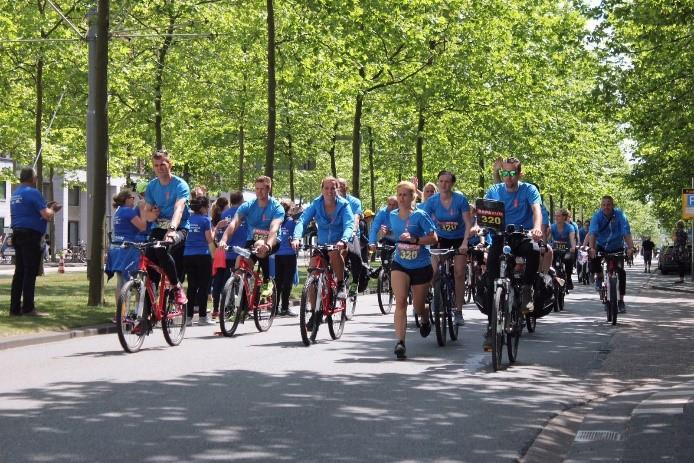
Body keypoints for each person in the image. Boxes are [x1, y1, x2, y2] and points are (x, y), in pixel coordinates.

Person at [475, 157, 543, 351]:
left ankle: (527, 289)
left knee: (534, 250)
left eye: (512, 173)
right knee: (491, 278)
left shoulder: (529, 190)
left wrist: (537, 228)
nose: (508, 177)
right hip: (500, 237)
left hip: (522, 235)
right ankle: (491, 328)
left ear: (520, 174)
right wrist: (478, 226)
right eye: (505, 173)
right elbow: (483, 211)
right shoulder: (494, 190)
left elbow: (536, 210)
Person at [386, 181, 438, 359]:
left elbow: (433, 238)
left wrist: (415, 240)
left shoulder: (420, 215)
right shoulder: (392, 215)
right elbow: (395, 234)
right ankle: (400, 343)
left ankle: (425, 316)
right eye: (399, 195)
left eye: (405, 195)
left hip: (420, 265)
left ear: (412, 197)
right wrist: (385, 233)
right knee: (400, 301)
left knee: (417, 306)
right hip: (400, 263)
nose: (401, 198)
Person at [419, 170, 473, 326]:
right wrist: (420, 240)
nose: (444, 184)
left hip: (458, 239)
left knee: (459, 273)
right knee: (433, 271)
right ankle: (432, 298)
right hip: (440, 238)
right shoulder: (432, 201)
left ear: (452, 184)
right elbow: (423, 220)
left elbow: (468, 223)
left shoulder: (460, 200)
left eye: (447, 181)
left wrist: (465, 243)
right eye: (441, 181)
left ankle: (458, 311)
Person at [218, 176, 284, 297]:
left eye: (262, 189)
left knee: (260, 246)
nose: (259, 192)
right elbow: (234, 223)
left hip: (271, 240)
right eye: (257, 189)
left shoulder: (276, 207)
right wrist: (223, 240)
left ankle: (267, 282)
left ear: (268, 189)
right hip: (252, 240)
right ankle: (240, 295)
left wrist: (268, 245)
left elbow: (274, 228)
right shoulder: (248, 206)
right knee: (240, 260)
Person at [9, 167, 62, 316]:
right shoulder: (33, 192)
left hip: (17, 234)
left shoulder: (16, 194)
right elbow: (46, 215)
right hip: (31, 236)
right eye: (36, 177)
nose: (37, 179)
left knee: (19, 272)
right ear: (32, 179)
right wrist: (53, 209)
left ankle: (14, 308)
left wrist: (46, 206)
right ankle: (28, 308)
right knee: (30, 271)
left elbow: (29, 210)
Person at [291, 176, 354, 299]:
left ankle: (341, 284)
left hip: (339, 244)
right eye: (326, 188)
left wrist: (344, 240)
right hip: (321, 244)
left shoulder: (344, 205)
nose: (329, 191)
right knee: (313, 273)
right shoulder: (316, 204)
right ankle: (314, 309)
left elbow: (349, 224)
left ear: (337, 190)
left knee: (334, 253)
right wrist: (296, 238)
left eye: (333, 188)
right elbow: (302, 221)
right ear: (322, 189)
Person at [142, 149, 191, 305]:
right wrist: (153, 214)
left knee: (161, 248)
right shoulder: (152, 186)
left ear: (170, 164)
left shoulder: (180, 185)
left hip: (179, 228)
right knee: (148, 260)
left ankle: (176, 287)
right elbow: (147, 214)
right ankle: (147, 314)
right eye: (156, 165)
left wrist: (172, 230)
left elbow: (179, 208)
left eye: (162, 164)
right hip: (159, 227)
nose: (159, 168)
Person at [588, 195, 634, 312]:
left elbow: (626, 232)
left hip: (617, 247)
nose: (606, 207)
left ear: (613, 205)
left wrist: (630, 248)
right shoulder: (597, 216)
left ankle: (621, 301)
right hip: (601, 246)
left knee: (621, 272)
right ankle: (599, 277)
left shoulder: (620, 215)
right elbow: (593, 233)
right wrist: (592, 248)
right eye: (603, 205)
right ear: (601, 206)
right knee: (593, 260)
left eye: (608, 204)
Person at [105, 189, 147, 312]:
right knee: (132, 281)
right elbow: (142, 227)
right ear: (127, 199)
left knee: (120, 282)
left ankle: (120, 313)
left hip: (116, 248)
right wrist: (143, 210)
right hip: (128, 249)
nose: (134, 200)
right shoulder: (128, 211)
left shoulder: (118, 211)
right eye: (133, 198)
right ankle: (134, 312)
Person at [211, 192, 247, 317]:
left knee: (221, 281)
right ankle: (237, 308)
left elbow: (220, 233)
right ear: (241, 200)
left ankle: (218, 308)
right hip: (239, 252)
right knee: (239, 281)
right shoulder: (244, 213)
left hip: (224, 252)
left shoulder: (224, 214)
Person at [184, 196, 214, 325]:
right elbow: (209, 239)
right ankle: (202, 317)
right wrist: (216, 229)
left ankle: (188, 317)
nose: (208, 209)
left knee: (191, 286)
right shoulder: (205, 220)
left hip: (188, 255)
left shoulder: (187, 219)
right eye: (207, 206)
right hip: (202, 255)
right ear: (202, 208)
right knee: (203, 286)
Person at [337, 177, 364, 296]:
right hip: (337, 234)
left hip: (352, 233)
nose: (339, 187)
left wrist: (353, 230)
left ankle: (355, 282)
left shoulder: (355, 202)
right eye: (337, 185)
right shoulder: (332, 201)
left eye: (342, 185)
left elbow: (356, 218)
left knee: (356, 256)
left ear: (346, 188)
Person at [275, 200, 298, 316]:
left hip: (278, 254)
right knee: (287, 282)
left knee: (278, 282)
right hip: (289, 254)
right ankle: (284, 308)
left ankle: (275, 308)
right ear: (289, 210)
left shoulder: (277, 221)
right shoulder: (292, 222)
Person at [550, 208, 577, 291]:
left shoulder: (570, 227)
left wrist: (573, 247)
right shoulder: (552, 227)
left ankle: (568, 278)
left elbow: (572, 239)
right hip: (555, 249)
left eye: (558, 216)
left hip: (567, 250)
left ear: (564, 217)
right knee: (551, 259)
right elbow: (547, 238)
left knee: (568, 259)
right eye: (555, 216)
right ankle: (552, 277)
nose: (556, 218)